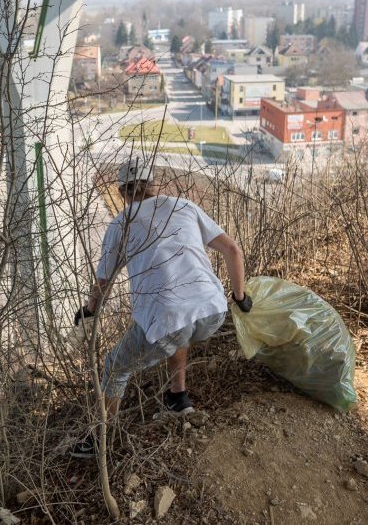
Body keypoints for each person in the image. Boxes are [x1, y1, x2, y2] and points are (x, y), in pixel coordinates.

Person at [70, 158, 252, 459]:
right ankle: (177, 398)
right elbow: (233, 250)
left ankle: (98, 441)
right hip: (213, 310)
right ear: (155, 185)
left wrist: (89, 311)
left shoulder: (121, 223)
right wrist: (240, 297)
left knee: (115, 366)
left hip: (170, 317)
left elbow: (103, 284)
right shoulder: (184, 206)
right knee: (179, 327)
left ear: (122, 193)